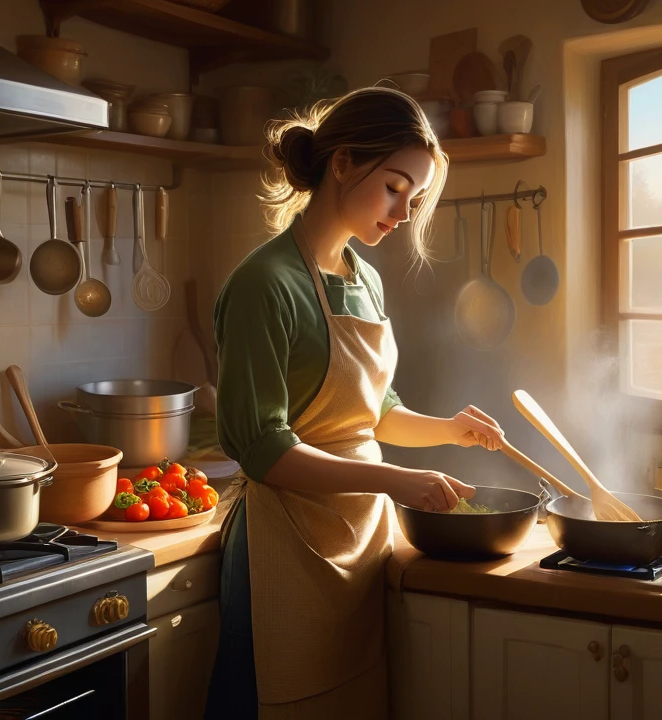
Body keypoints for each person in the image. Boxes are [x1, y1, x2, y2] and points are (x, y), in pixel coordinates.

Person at [204, 87, 507, 719]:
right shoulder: (264, 284)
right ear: (341, 163)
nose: (401, 214)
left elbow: (376, 413)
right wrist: (396, 481)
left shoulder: (361, 278)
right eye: (395, 187)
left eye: (413, 197)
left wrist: (451, 430)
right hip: (282, 547)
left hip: (357, 543)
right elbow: (264, 449)